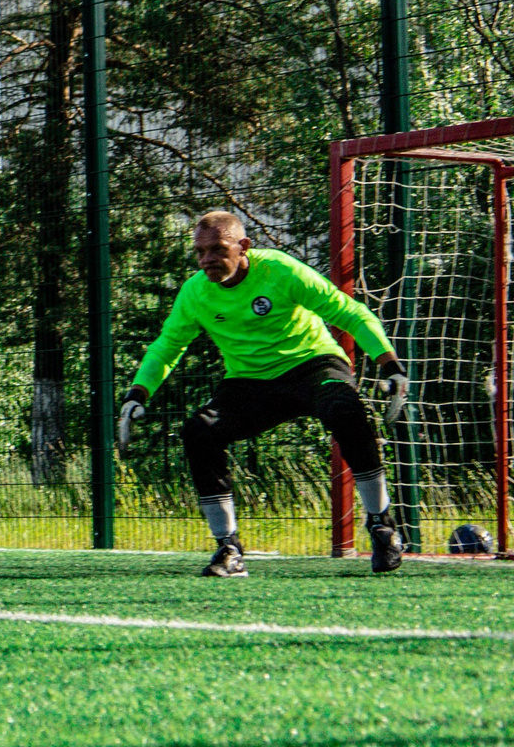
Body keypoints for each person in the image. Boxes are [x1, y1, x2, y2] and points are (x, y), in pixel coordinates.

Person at [118, 208, 411, 577]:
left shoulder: (280, 270)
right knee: (199, 432)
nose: (206, 259)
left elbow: (349, 312)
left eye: (217, 250)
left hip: (312, 364)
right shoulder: (195, 293)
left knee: (345, 409)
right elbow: (168, 345)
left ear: (243, 247)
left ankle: (382, 525)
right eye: (199, 252)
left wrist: (391, 366)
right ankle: (228, 548)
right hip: (250, 381)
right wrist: (137, 394)